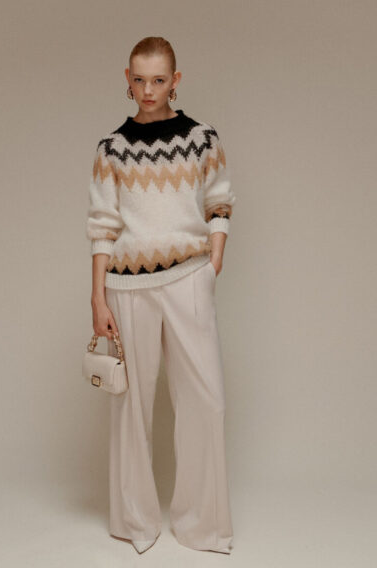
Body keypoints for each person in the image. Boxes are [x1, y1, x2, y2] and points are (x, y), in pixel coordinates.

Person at [86, 36, 236, 555]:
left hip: (189, 277)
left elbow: (220, 200)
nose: (148, 89)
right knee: (132, 408)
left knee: (206, 402)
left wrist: (214, 261)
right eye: (139, 79)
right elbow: (102, 226)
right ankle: (136, 522)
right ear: (126, 80)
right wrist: (97, 297)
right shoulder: (111, 149)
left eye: (158, 79)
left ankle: (204, 527)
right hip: (128, 286)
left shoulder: (202, 138)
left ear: (176, 80)